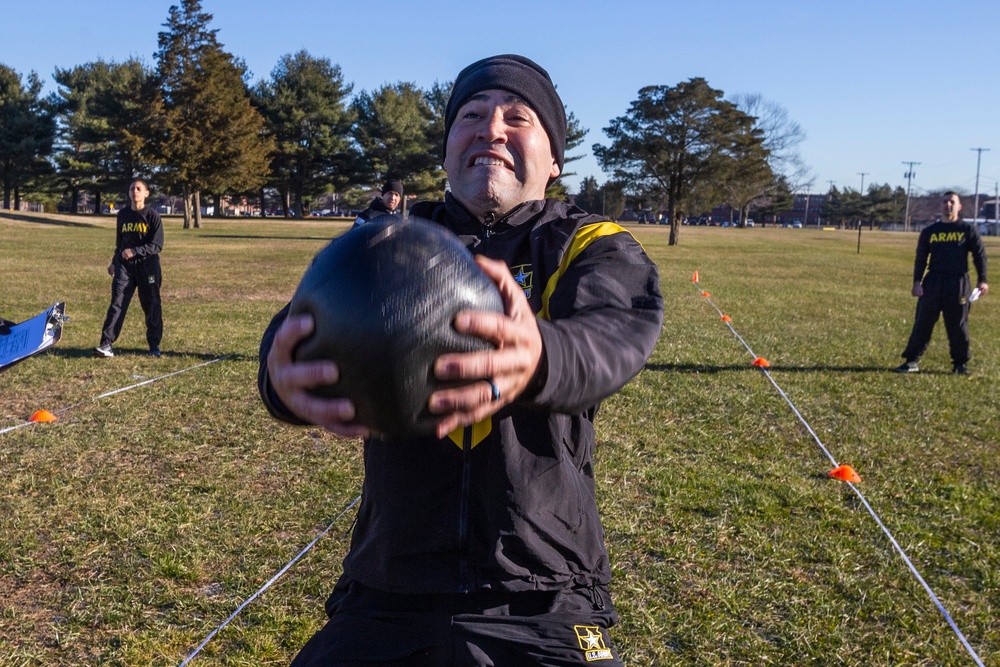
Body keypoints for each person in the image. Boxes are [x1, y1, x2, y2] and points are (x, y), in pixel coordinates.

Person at [258, 54, 663, 666]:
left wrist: (540, 355)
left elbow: (613, 336)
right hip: (389, 585)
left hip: (542, 591)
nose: (491, 129)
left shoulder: (588, 245)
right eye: (471, 115)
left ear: (554, 159)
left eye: (517, 117)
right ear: (447, 150)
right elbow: (301, 322)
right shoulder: (388, 239)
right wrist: (280, 378)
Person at [896, 191, 988, 375]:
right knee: (923, 321)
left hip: (958, 282)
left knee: (957, 324)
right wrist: (917, 282)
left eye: (952, 202)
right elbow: (921, 259)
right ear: (941, 205)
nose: (948, 205)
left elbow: (979, 256)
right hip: (934, 281)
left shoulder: (967, 230)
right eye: (945, 201)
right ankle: (911, 361)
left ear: (959, 206)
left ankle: (960, 364)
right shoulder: (930, 232)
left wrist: (983, 280)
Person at [94, 178, 164, 358]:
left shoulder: (152, 216)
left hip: (147, 267)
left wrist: (135, 251)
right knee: (117, 303)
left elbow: (156, 245)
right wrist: (114, 261)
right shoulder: (123, 215)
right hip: (124, 267)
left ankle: (154, 345)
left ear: (146, 193)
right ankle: (106, 344)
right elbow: (120, 242)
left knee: (151, 304)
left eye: (139, 189)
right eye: (132, 188)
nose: (135, 191)